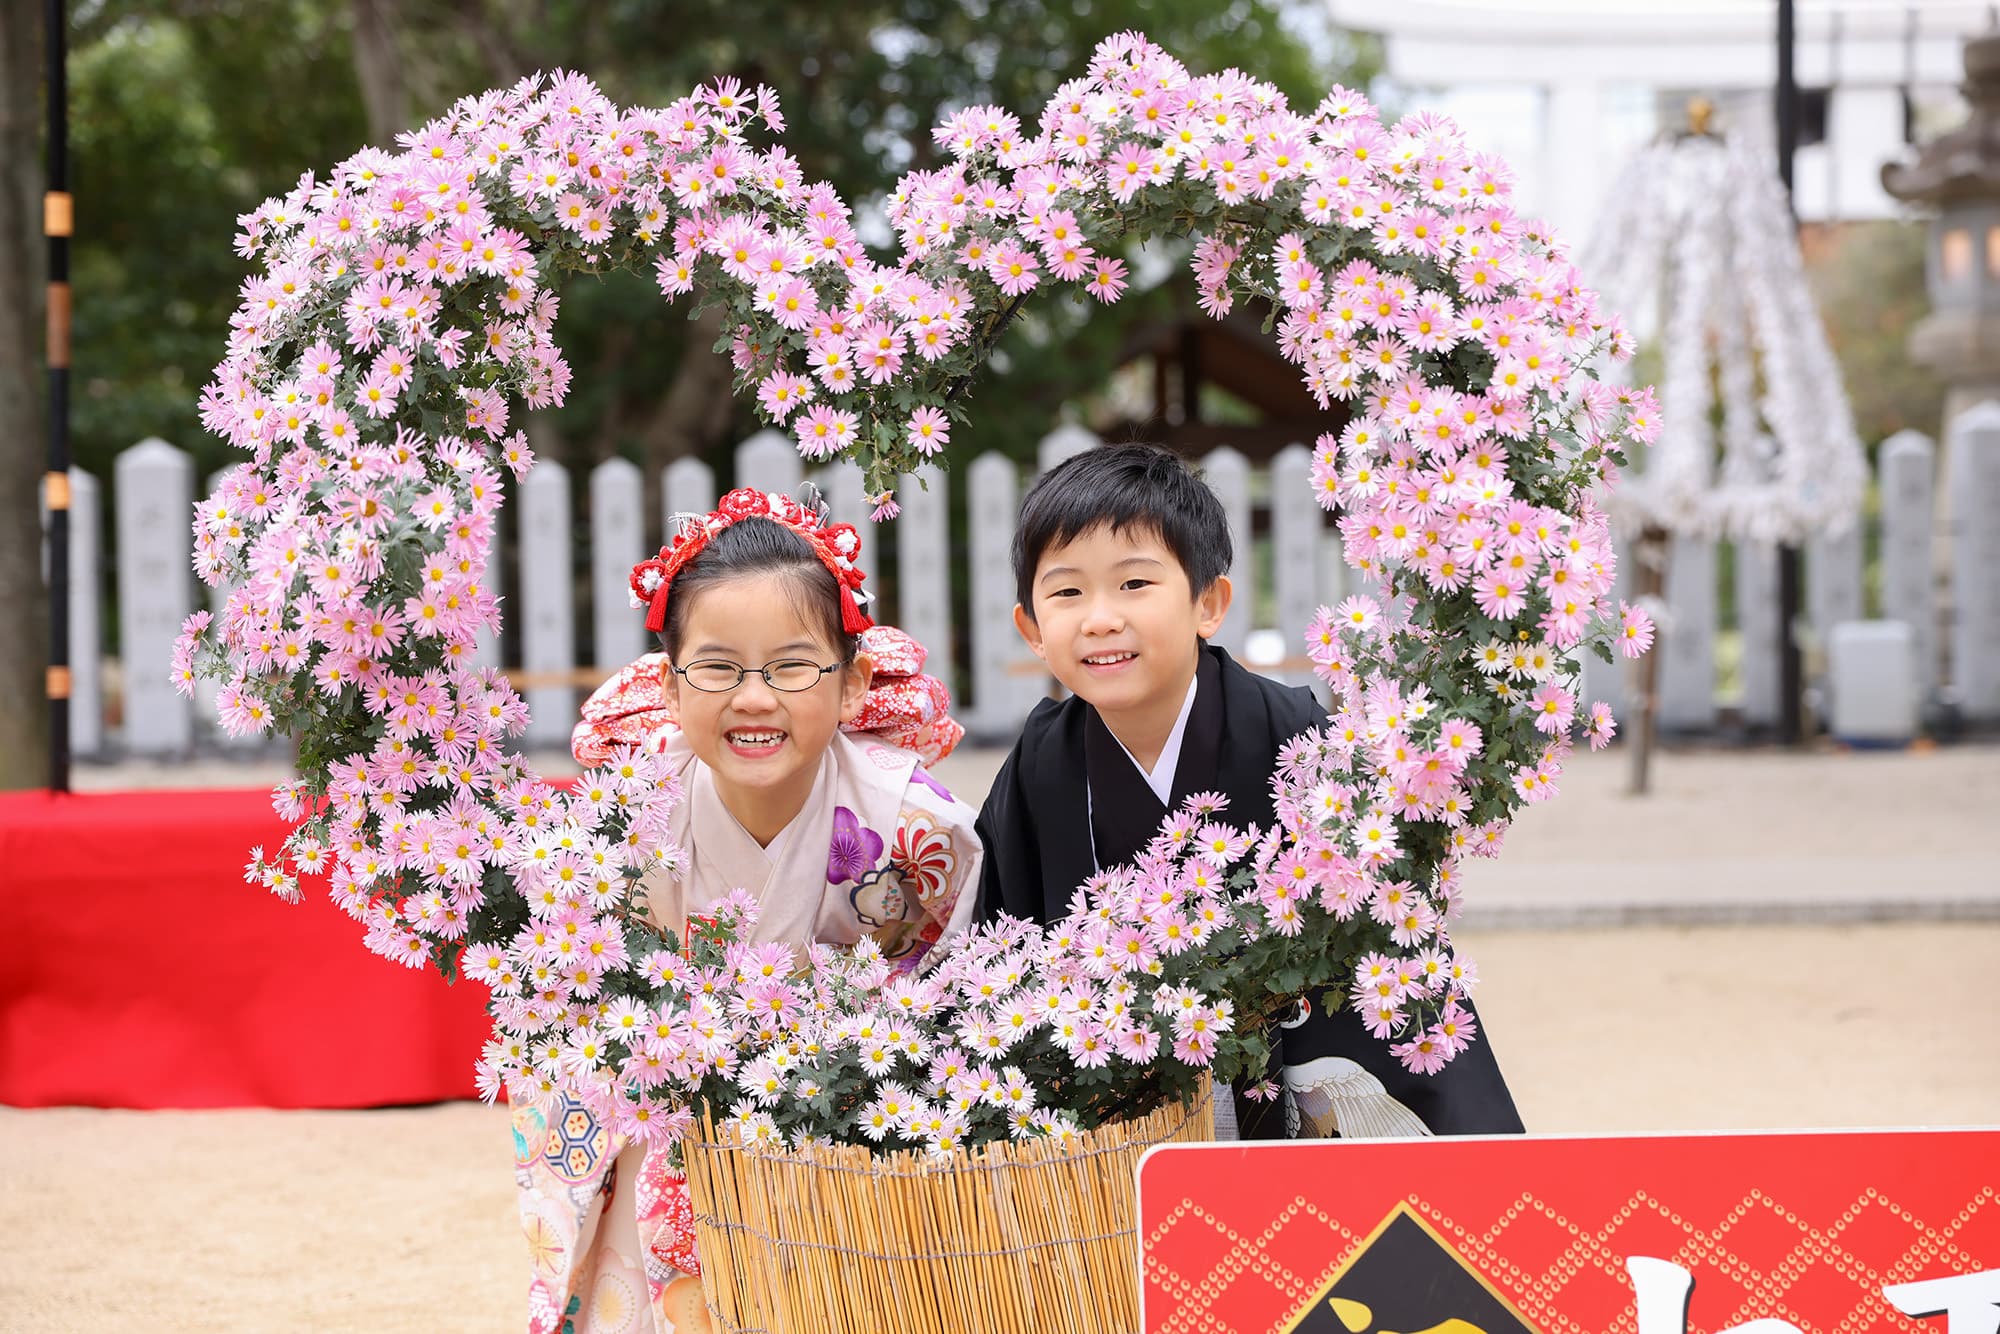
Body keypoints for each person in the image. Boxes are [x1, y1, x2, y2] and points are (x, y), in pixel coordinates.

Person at [514, 486, 981, 1334]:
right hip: (666, 1106)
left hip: (849, 1110)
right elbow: (585, 1001)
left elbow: (932, 1007)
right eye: (720, 667)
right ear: (668, 684)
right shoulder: (628, 819)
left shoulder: (915, 829)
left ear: (853, 682)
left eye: (793, 666)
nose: (755, 698)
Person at [973, 443, 1521, 1142]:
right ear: (1032, 630)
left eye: (1135, 584)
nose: (1100, 618)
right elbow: (1003, 943)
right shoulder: (1040, 764)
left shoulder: (1292, 734)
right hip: (1116, 1121)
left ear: (1209, 603)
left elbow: (1371, 940)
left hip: (1283, 1102)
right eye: (1067, 592)